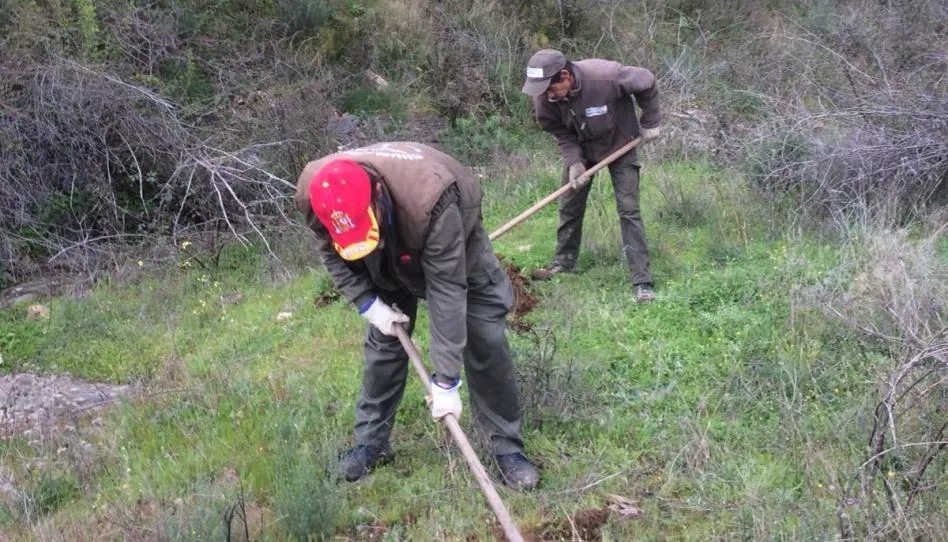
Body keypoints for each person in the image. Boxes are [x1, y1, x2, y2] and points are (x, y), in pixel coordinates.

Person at [295, 142, 539, 491]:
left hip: (454, 242)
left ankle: (506, 448)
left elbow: (447, 290)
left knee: (485, 338)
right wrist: (368, 303)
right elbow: (331, 254)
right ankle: (372, 444)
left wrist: (445, 381)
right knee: (385, 345)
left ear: (377, 194)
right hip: (386, 247)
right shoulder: (314, 194)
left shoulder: (432, 199)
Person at [521, 48, 662, 303]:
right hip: (582, 150)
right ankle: (565, 262)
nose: (547, 97)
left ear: (565, 76)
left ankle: (642, 282)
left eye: (551, 89)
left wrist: (651, 121)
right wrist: (574, 162)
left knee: (629, 210)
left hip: (621, 144)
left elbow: (647, 81)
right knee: (569, 205)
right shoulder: (544, 98)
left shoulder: (605, 76)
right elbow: (560, 132)